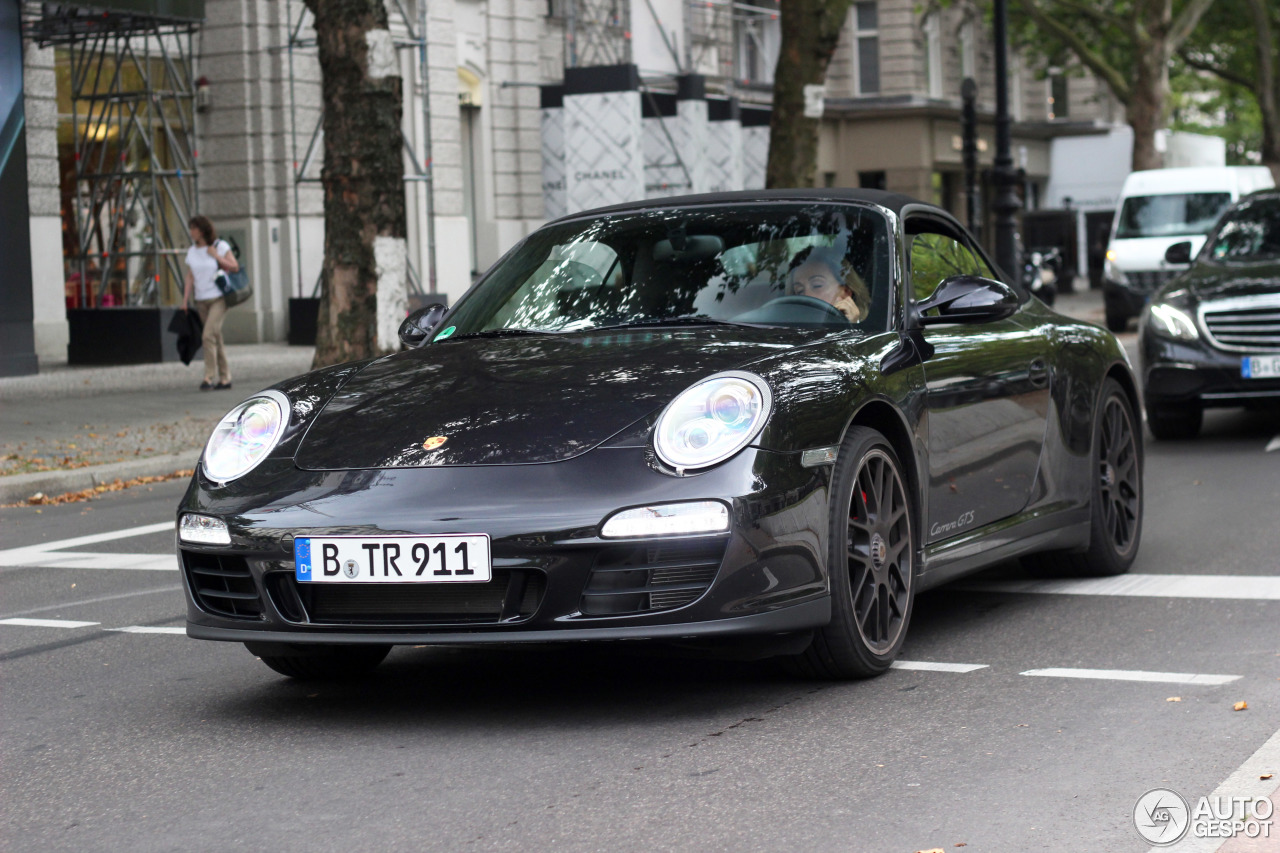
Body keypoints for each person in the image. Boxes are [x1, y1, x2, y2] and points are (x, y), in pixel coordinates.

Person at [183, 215, 239, 391]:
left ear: (202, 230)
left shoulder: (219, 246)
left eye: (194, 228)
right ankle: (225, 378)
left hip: (219, 298)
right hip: (201, 300)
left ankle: (208, 377)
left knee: (207, 335)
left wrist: (217, 257)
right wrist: (184, 300)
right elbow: (190, 276)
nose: (191, 232)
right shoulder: (192, 251)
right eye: (190, 228)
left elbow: (235, 266)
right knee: (215, 336)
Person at [787, 246, 869, 322]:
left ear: (846, 292)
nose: (806, 295)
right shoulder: (788, 328)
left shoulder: (871, 331)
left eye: (817, 285)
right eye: (800, 291)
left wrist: (850, 325)